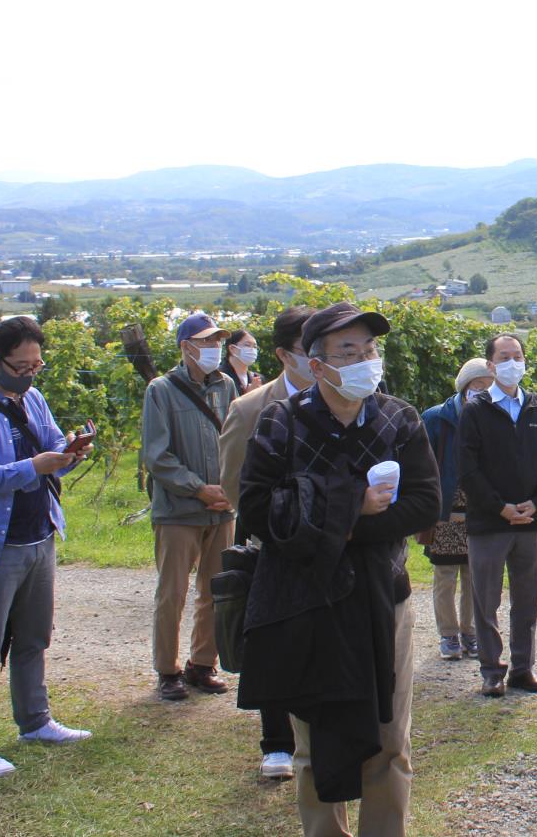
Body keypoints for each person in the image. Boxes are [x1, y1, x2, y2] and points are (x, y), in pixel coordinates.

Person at [236, 301, 441, 837]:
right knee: (314, 734)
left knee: (391, 736)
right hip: (308, 601)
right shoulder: (281, 421)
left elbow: (423, 505)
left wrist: (337, 525)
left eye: (369, 350)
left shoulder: (400, 419)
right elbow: (256, 508)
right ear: (317, 363)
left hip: (383, 596)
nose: (364, 361)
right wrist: (354, 506)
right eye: (348, 351)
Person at [0, 316, 92, 780]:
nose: (30, 374)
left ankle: (35, 721)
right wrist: (33, 466)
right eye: (21, 366)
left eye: (36, 366)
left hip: (39, 536)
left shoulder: (33, 398)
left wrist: (68, 453)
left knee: (34, 637)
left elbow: (50, 453)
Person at [216, 304, 314, 781]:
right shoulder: (250, 407)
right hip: (268, 539)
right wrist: (279, 520)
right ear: (282, 354)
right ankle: (276, 740)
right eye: (308, 348)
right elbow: (233, 482)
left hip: (331, 544)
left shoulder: (353, 399)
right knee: (271, 635)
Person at [458, 333, 537, 697]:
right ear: (490, 365)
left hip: (530, 522)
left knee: (527, 599)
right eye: (504, 356)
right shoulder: (475, 410)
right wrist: (499, 507)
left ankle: (523, 669)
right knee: (486, 601)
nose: (512, 362)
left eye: (517, 355)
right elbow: (467, 468)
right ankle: (491, 670)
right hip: (489, 524)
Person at [141, 311, 236, 702]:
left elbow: (234, 436)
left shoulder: (226, 385)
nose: (215, 349)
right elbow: (157, 456)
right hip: (180, 509)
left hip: (223, 507)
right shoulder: (161, 390)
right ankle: (168, 670)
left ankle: (202, 663)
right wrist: (198, 489)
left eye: (218, 342)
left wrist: (230, 486)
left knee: (217, 589)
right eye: (207, 342)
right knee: (173, 591)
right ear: (186, 347)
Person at [418, 358, 490, 662]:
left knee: (474, 574)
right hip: (445, 507)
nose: (484, 391)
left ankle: (470, 632)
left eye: (489, 386)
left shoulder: (492, 418)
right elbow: (423, 462)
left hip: (478, 509)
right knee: (445, 574)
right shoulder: (436, 418)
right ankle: (448, 634)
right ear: (465, 387)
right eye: (478, 385)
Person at [220, 328, 264, 397]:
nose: (252, 350)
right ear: (232, 348)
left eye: (255, 347)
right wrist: (247, 396)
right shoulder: (219, 377)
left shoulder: (257, 378)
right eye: (247, 345)